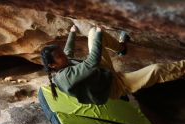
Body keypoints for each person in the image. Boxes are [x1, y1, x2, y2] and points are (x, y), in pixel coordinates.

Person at [41, 25, 185, 104]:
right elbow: (91, 62)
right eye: (59, 56)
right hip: (114, 86)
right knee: (156, 70)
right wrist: (98, 34)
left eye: (61, 53)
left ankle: (122, 48)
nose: (64, 55)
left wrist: (72, 33)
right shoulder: (65, 78)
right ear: (53, 65)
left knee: (92, 32)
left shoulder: (63, 62)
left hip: (102, 71)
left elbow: (68, 51)